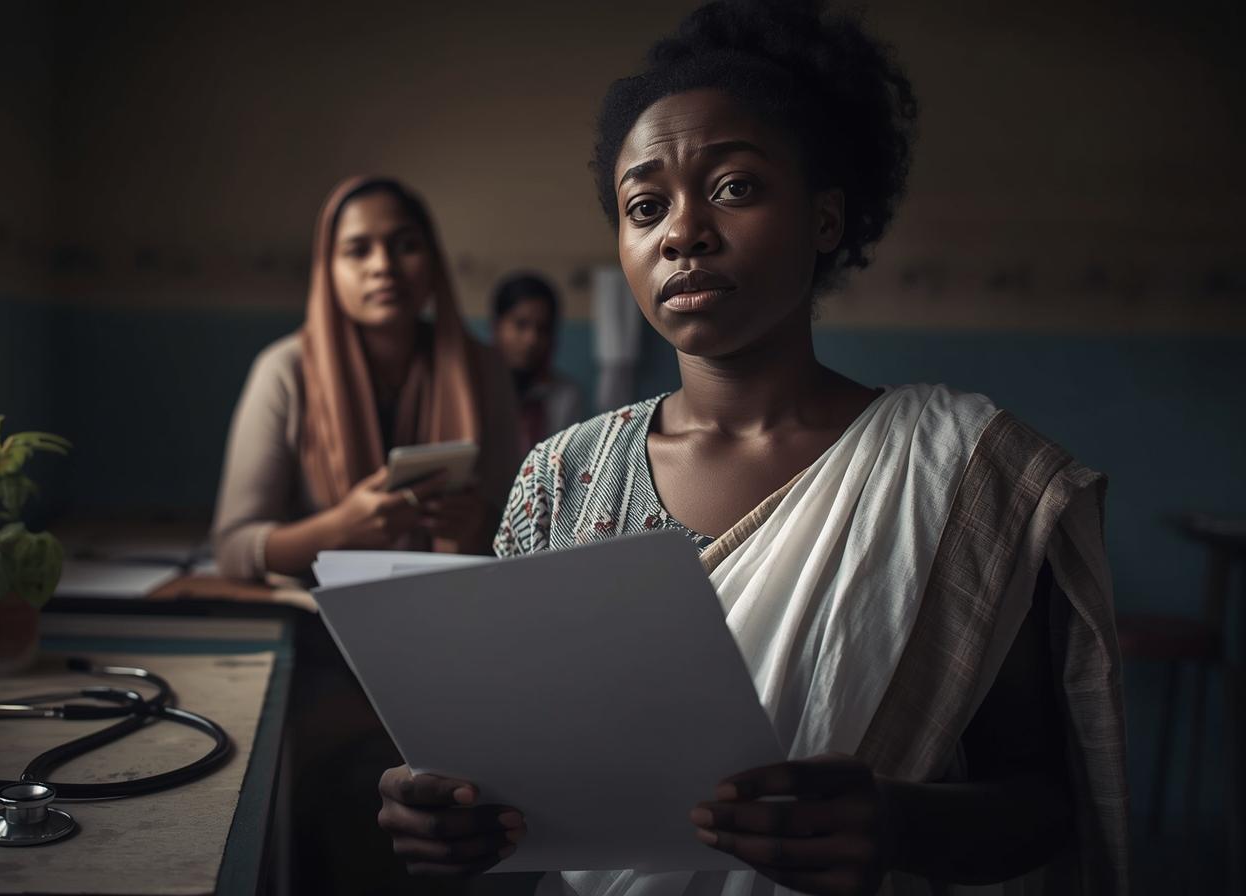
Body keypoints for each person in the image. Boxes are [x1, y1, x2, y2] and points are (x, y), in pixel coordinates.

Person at [374, 3, 1128, 895]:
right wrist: (448, 815)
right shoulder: (561, 475)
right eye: (644, 206)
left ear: (825, 219)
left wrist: (896, 823)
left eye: (734, 187)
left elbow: (1043, 802)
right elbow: (508, 772)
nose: (682, 233)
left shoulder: (960, 473)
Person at [211, 176, 520, 581]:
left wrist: (478, 525)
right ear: (328, 268)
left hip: (448, 613)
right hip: (317, 622)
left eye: (406, 246)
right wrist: (335, 532)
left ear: (434, 261)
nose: (383, 267)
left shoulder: (483, 369)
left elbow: (517, 533)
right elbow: (233, 549)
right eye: (358, 251)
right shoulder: (284, 372)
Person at [490, 273, 588, 455]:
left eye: (542, 328)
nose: (531, 340)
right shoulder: (473, 389)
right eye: (521, 325)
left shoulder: (565, 397)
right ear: (497, 327)